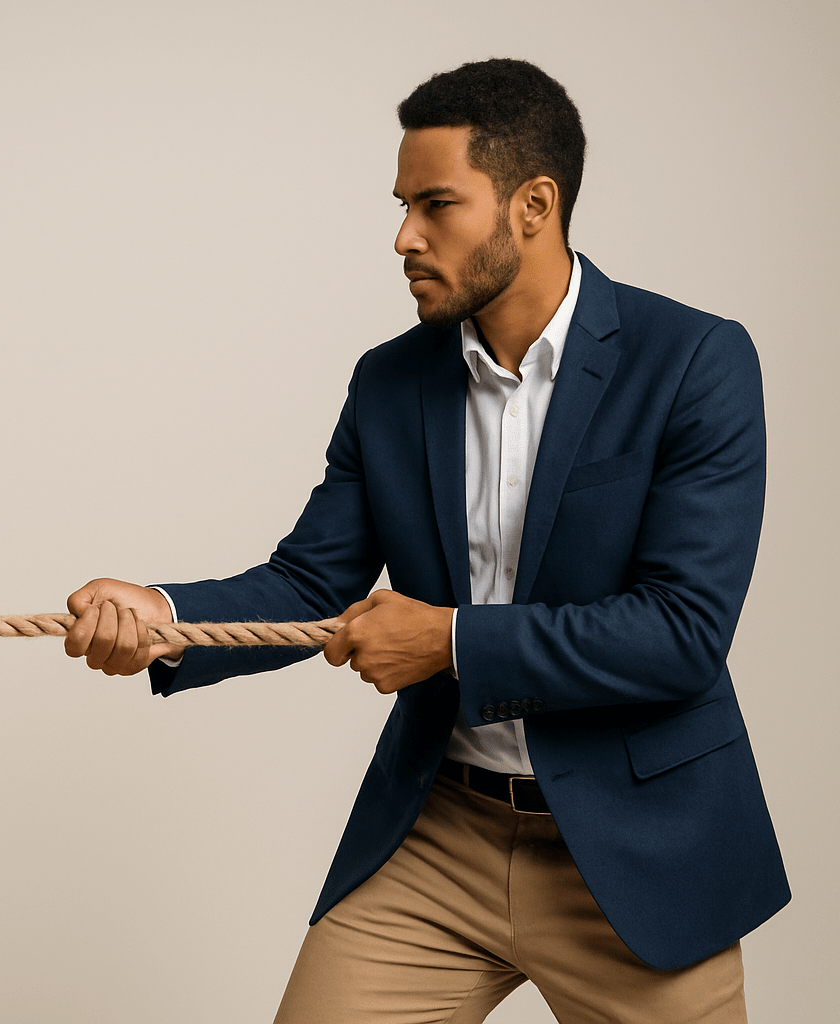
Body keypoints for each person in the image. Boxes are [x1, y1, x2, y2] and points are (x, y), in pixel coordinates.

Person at [62, 58, 787, 1022]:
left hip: (637, 852)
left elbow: (682, 632)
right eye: (403, 204)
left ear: (534, 203)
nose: (404, 236)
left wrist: (446, 642)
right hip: (439, 834)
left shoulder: (696, 362)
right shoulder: (390, 381)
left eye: (435, 204)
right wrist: (164, 616)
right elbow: (310, 579)